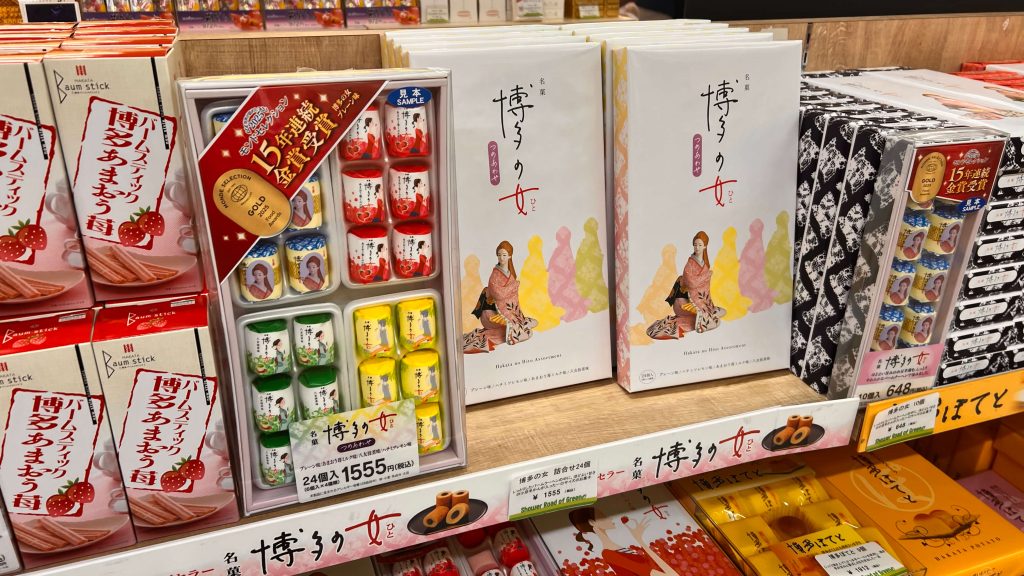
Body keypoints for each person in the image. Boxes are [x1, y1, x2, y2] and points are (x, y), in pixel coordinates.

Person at [647, 231, 725, 339]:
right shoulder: (690, 264)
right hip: (683, 302)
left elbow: (705, 288)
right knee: (711, 320)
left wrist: (705, 303)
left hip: (698, 301)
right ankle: (699, 314)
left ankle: (703, 310)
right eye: (695, 245)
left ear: (705, 246)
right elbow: (692, 284)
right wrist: (707, 275)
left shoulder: (705, 264)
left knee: (715, 313)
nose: (697, 247)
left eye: (700, 245)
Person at [463, 240, 538, 353]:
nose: (501, 258)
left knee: (521, 325)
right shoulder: (495, 275)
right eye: (499, 255)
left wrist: (514, 311)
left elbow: (513, 297)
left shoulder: (510, 273)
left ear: (509, 256)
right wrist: (514, 285)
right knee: (520, 330)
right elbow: (499, 294)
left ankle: (513, 322)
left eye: (504, 255)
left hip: (506, 309)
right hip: (491, 312)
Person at [568, 508, 678, 576]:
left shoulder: (614, 549)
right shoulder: (609, 554)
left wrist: (639, 540)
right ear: (592, 522)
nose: (610, 518)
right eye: (603, 516)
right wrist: (640, 541)